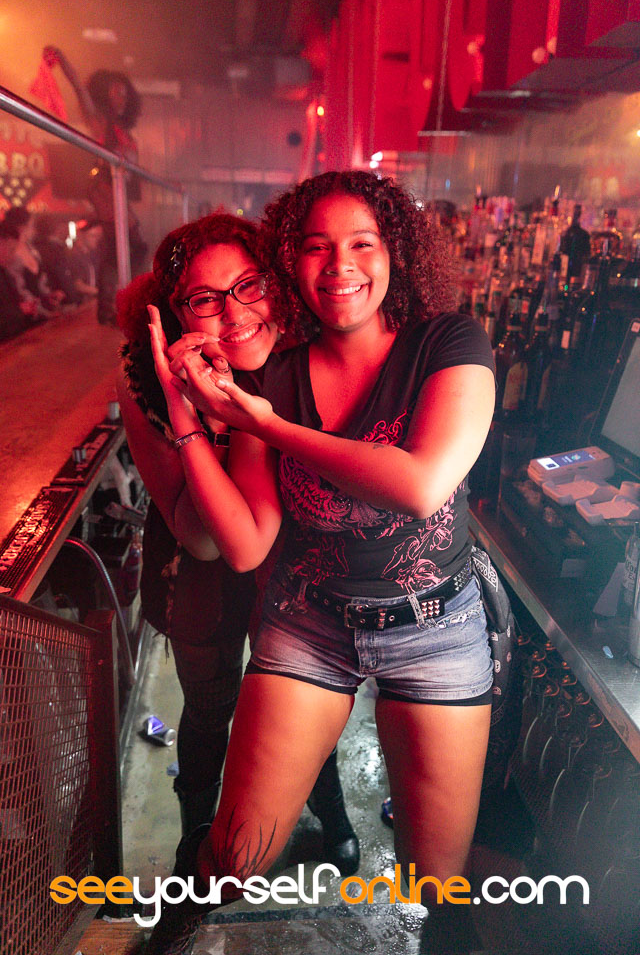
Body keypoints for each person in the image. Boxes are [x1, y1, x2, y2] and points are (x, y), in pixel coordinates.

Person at [145, 170, 496, 953]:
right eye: (315, 247)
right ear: (290, 264)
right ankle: (172, 929)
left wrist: (265, 426)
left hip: (435, 630)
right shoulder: (275, 374)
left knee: (435, 884)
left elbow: (421, 484)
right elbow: (246, 542)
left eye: (362, 243)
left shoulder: (449, 344)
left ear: (395, 252)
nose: (341, 266)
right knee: (233, 858)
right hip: (311, 624)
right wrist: (187, 415)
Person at [115, 213, 358, 874]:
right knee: (210, 705)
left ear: (277, 284)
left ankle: (329, 809)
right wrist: (202, 413)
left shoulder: (309, 347)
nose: (235, 313)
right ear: (178, 313)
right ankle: (195, 839)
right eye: (205, 299)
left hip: (297, 557)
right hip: (201, 567)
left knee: (302, 695)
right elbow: (200, 540)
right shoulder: (147, 376)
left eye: (250, 285)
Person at [42, 46, 147, 323]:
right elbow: (79, 88)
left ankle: (111, 307)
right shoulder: (100, 119)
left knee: (120, 248)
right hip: (104, 188)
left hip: (115, 190)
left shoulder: (122, 129)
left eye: (124, 92)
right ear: (104, 94)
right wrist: (64, 61)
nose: (121, 97)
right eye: (115, 92)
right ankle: (119, 305)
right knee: (131, 246)